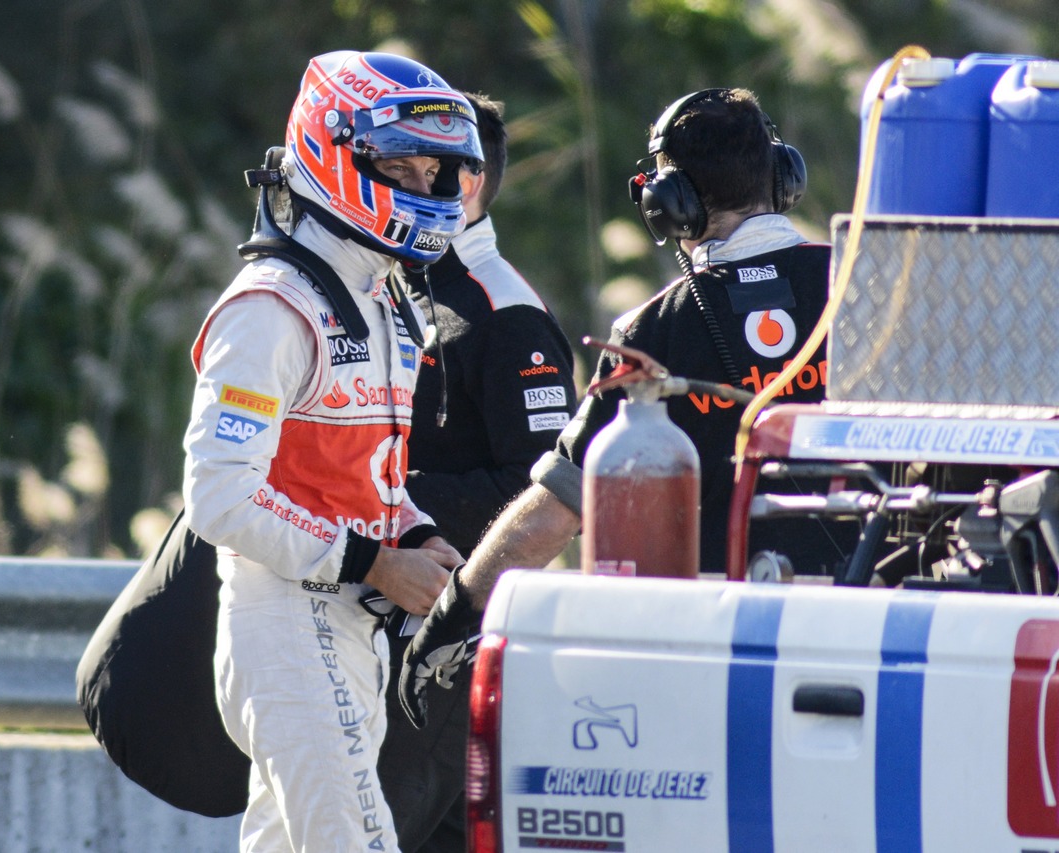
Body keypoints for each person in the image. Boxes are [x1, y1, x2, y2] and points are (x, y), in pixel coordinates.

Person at [399, 86, 857, 728]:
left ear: (668, 203)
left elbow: (557, 510)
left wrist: (453, 616)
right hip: (880, 638)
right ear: (783, 176)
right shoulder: (870, 291)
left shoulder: (651, 333)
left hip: (721, 656)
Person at [182, 50, 483, 852]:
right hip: (285, 618)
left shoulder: (382, 298)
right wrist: (374, 562)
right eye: (402, 166)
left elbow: (367, 477)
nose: (426, 187)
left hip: (343, 621)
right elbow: (218, 495)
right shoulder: (271, 307)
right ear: (333, 149)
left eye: (438, 170)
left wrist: (412, 532)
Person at [377, 92, 578, 852]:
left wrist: (383, 502)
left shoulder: (507, 314)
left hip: (458, 649)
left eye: (414, 165)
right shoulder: (406, 281)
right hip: (385, 629)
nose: (392, 178)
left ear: (461, 183)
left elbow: (540, 492)